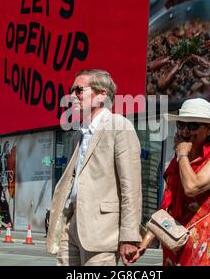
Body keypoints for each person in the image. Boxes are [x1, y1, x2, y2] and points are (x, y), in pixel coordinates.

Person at [46, 69, 142, 266]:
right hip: (72, 227)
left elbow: (130, 187)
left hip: (102, 232)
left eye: (79, 90)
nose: (72, 96)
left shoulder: (119, 126)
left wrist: (130, 236)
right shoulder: (77, 136)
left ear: (102, 95)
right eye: (71, 90)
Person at [132, 98, 210, 266]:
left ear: (208, 129)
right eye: (181, 124)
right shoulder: (179, 161)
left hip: (201, 241)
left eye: (193, 125)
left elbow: (192, 187)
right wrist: (146, 241)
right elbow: (166, 207)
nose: (185, 130)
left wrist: (183, 155)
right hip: (173, 238)